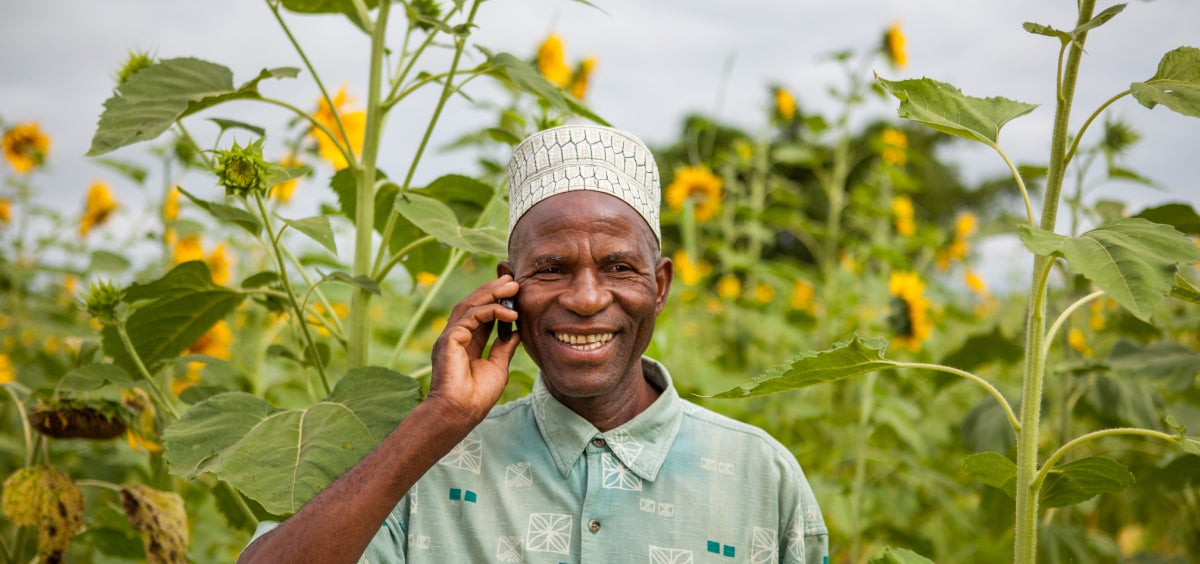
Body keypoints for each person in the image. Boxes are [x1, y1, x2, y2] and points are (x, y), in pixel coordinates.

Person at [239, 125, 828, 563]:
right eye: (551, 268)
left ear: (661, 285)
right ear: (507, 287)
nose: (588, 298)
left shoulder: (760, 477)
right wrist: (439, 419)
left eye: (620, 267)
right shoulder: (433, 469)